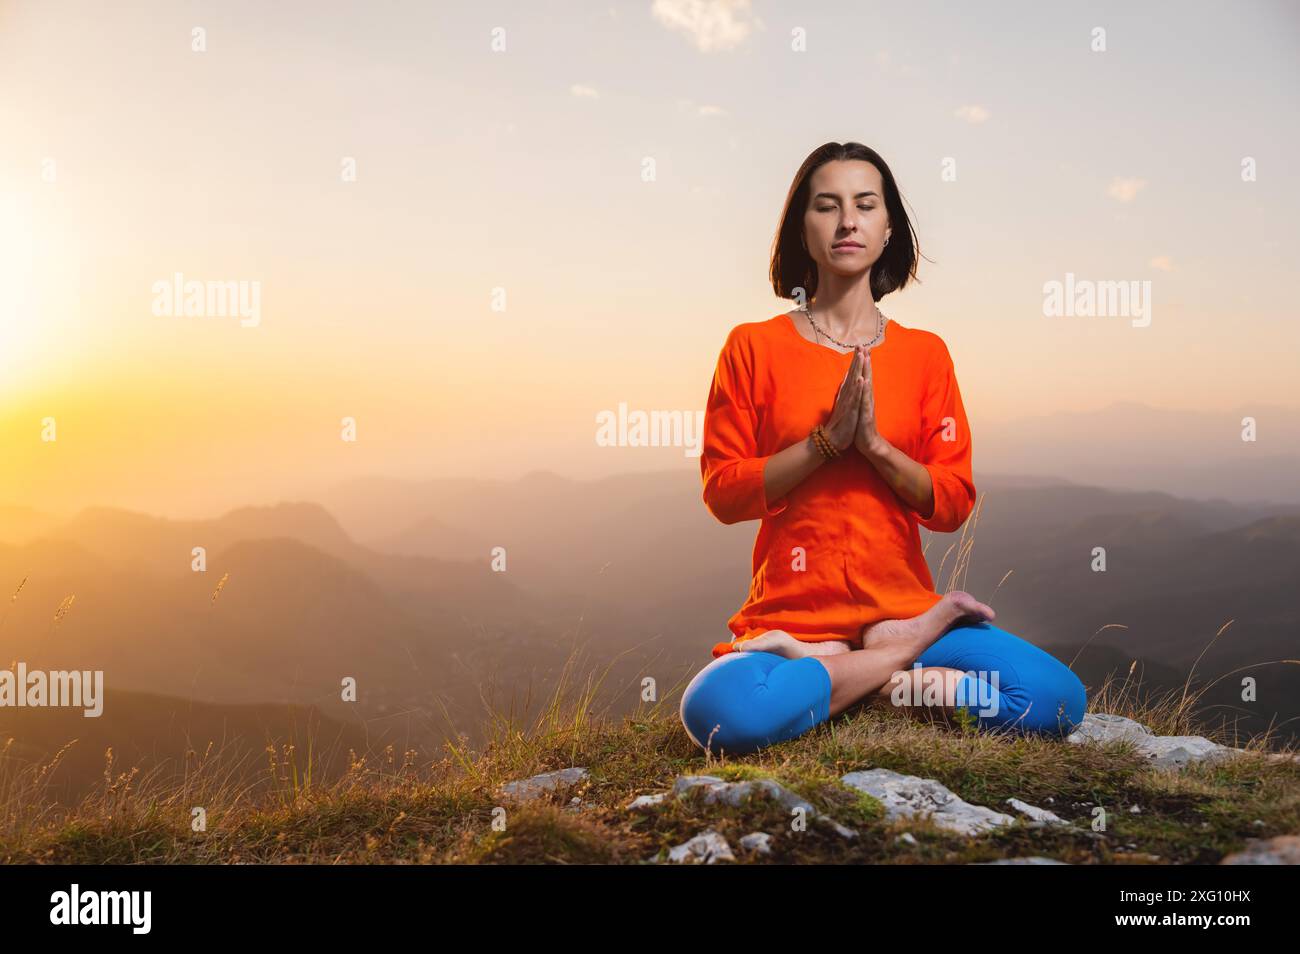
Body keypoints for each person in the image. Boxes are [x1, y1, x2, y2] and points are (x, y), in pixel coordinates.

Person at [680, 142, 1087, 756]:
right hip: (793, 623)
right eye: (827, 205)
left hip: (899, 610)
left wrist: (874, 448)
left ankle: (854, 676)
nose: (848, 221)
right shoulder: (752, 347)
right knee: (718, 715)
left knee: (1053, 699)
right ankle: (894, 677)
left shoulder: (926, 354)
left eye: (865, 205)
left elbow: (950, 505)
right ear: (802, 227)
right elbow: (723, 493)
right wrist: (824, 444)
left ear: (888, 226)